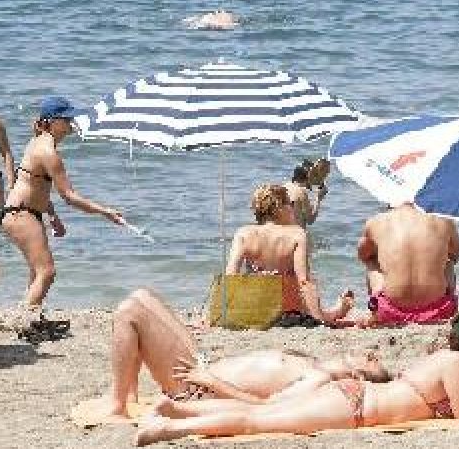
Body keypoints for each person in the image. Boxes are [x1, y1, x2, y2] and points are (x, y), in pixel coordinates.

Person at [133, 309, 459, 446]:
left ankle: (176, 411)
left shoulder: (449, 359)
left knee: (268, 411)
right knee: (258, 419)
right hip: (354, 407)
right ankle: (167, 430)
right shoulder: (456, 365)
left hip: (352, 397)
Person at [103, 288, 387, 420]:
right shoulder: (315, 366)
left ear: (356, 376)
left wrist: (212, 383)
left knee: (132, 308)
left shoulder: (319, 380)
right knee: (144, 299)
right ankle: (129, 395)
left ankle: (118, 405)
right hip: (201, 370)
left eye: (372, 360)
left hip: (195, 387)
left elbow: (267, 407)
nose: (370, 351)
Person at [1, 95, 125, 339]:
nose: (71, 122)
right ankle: (24, 321)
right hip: (21, 214)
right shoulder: (48, 152)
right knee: (47, 272)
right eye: (66, 119)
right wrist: (105, 211)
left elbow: (33, 185)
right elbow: (69, 196)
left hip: (22, 213)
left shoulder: (37, 142)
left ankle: (31, 319)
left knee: (37, 272)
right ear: (51, 121)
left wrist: (51, 214)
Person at [224, 184, 353, 327]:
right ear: (279, 207)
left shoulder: (243, 233)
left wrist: (225, 312)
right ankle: (332, 313)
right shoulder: (297, 234)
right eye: (290, 203)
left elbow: (230, 276)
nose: (292, 208)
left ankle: (334, 312)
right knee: (307, 283)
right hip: (285, 310)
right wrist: (318, 321)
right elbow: (303, 281)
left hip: (254, 307)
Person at [357, 203, 459, 326]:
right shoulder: (444, 220)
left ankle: (374, 312)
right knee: (449, 262)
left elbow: (363, 255)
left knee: (371, 261)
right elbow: (456, 253)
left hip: (389, 312)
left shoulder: (376, 222)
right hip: (440, 311)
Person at [282, 159, 328, 228]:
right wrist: (318, 199)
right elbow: (310, 220)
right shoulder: (301, 193)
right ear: (308, 178)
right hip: (296, 234)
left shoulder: (284, 187)